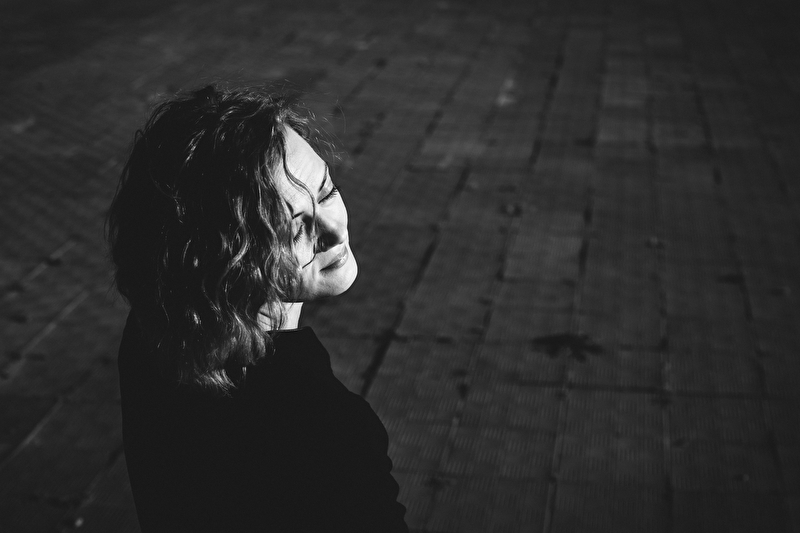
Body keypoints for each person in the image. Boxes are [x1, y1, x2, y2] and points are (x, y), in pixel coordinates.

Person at [106, 85, 409, 532]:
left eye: (327, 191)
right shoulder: (325, 431)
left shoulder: (157, 334)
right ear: (228, 257)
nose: (333, 230)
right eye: (293, 228)